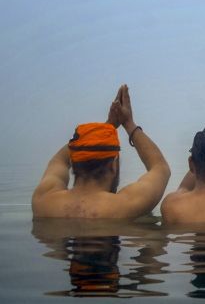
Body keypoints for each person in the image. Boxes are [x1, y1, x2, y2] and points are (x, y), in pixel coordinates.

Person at [32, 85, 171, 219]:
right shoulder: (126, 206)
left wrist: (106, 128)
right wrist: (129, 124)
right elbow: (160, 168)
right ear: (113, 165)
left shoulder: (43, 201)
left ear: (73, 163)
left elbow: (58, 161)